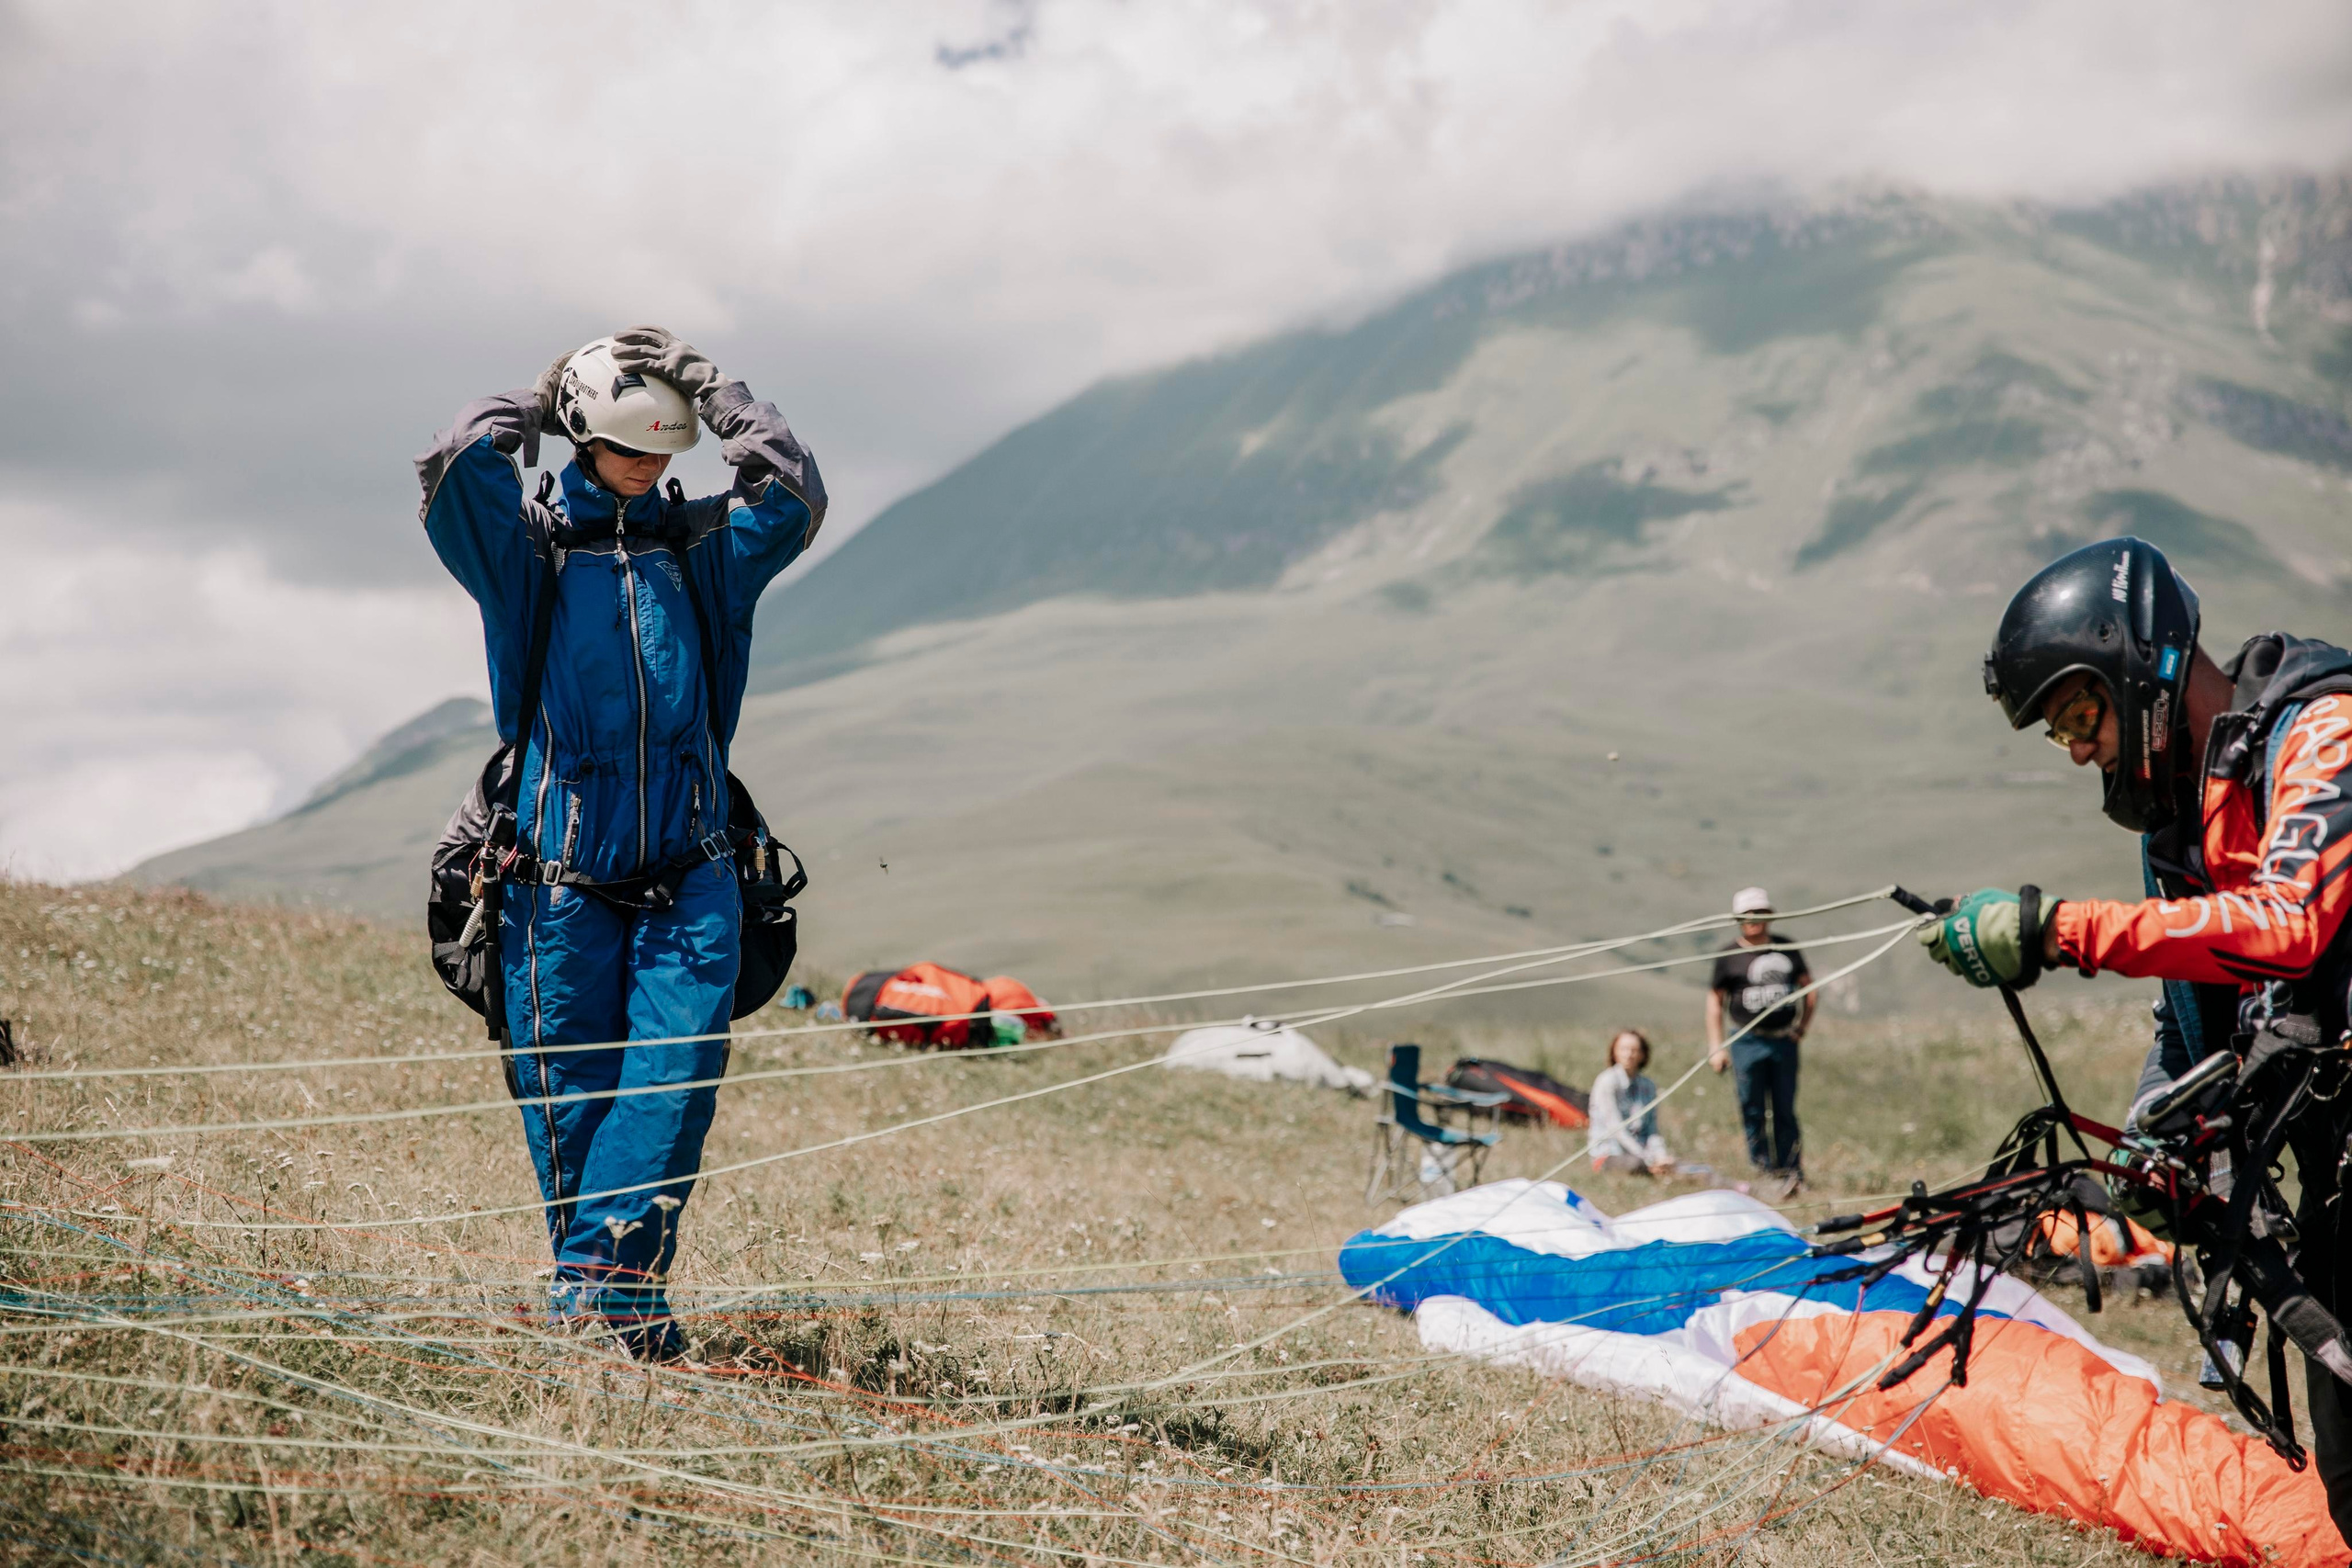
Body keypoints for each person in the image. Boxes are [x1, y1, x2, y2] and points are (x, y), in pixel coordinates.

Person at [1919, 535, 2352, 1531]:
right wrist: (2157, 1137)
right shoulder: (2184, 834)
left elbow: (2291, 925)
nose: (2077, 749)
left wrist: (2063, 930)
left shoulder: (2322, 728)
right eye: (2059, 733)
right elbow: (2197, 1017)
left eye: (2080, 714)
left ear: (2144, 670)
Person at [414, 328, 827, 1359]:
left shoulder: (706, 548)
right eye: (628, 448)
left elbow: (793, 494)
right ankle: (619, 1322)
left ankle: (593, 1307)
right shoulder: (529, 551)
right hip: (554, 886)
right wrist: (539, 398)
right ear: (583, 438)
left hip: (693, 878)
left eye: (664, 452)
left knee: (671, 1085)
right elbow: (454, 467)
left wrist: (720, 394)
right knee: (570, 1102)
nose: (650, 469)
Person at [1707, 886, 1814, 1195]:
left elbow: (1810, 988)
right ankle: (1764, 1170)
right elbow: (1715, 1002)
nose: (1755, 920)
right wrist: (1717, 1047)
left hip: (1783, 1041)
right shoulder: (1728, 955)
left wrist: (1801, 1027)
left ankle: (1792, 1171)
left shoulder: (1787, 948)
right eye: (1749, 915)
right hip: (1745, 1041)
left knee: (1784, 1108)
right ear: (1739, 920)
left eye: (1761, 914)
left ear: (1770, 917)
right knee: (1751, 1107)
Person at [1589, 1028, 1674, 1176]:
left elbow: (1652, 1129)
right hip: (1609, 1153)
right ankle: (1653, 1169)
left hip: (1642, 1151)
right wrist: (1648, 1159)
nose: (1629, 1055)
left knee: (1674, 1164)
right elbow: (1616, 1129)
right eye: (1623, 1049)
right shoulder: (1607, 1082)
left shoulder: (1648, 1086)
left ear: (1642, 1054)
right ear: (1614, 1052)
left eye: (1634, 1050)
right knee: (1637, 1164)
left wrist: (1661, 1155)